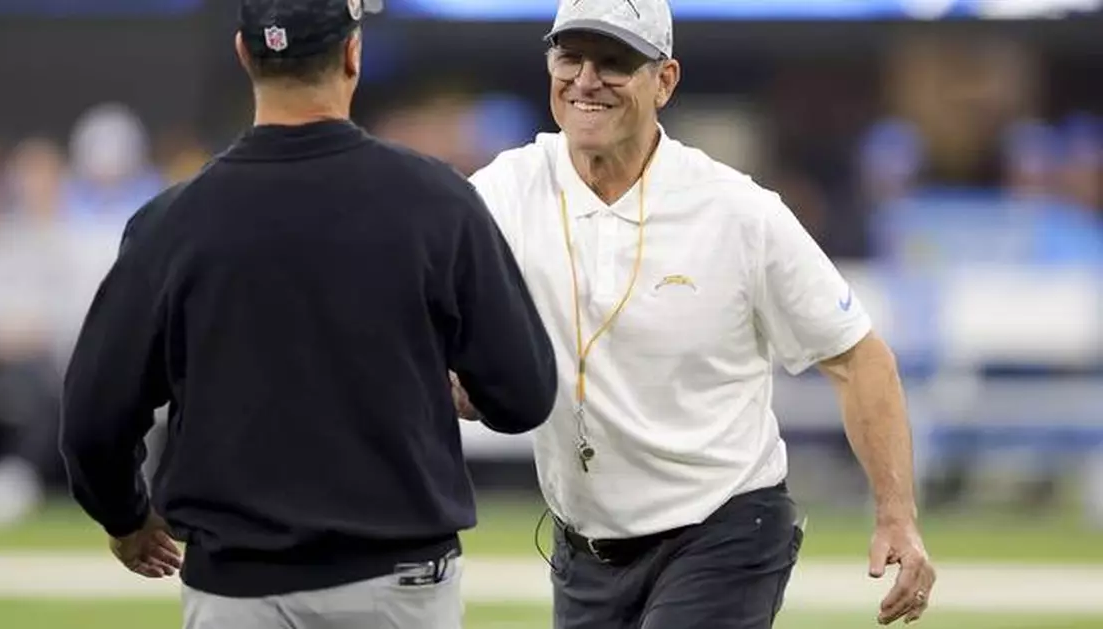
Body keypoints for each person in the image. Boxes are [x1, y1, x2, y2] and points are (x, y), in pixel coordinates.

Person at [58, 1, 558, 628]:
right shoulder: (436, 203)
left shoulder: (172, 224)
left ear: (245, 54)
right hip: (398, 586)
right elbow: (525, 393)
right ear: (353, 54)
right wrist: (465, 389)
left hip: (236, 589)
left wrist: (126, 517)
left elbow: (91, 420)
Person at [456, 0, 937, 627]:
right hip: (585, 545)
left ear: (665, 80)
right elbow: (428, 316)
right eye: (569, 58)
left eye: (614, 62)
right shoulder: (503, 191)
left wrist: (897, 517)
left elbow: (858, 358)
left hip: (723, 527)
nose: (586, 80)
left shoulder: (737, 211)